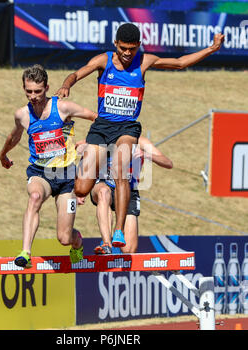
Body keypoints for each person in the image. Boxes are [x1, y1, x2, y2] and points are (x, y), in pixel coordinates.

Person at [56, 22, 224, 249]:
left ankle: (118, 231)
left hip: (127, 127)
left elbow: (180, 63)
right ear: (115, 44)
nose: (127, 53)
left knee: (120, 171)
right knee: (81, 188)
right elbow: (76, 73)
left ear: (139, 46)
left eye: (132, 49)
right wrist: (66, 85)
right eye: (123, 48)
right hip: (102, 126)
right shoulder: (104, 61)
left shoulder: (144, 61)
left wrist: (212, 49)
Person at [0, 64, 97, 268]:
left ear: (47, 87)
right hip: (40, 173)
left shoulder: (63, 108)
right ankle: (25, 253)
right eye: (28, 91)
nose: (33, 96)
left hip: (67, 176)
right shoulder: (22, 115)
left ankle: (77, 243)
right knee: (34, 197)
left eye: (37, 91)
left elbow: (95, 118)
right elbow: (14, 136)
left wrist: (88, 141)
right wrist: (3, 154)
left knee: (64, 237)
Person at [77, 136, 173, 254]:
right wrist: (81, 190)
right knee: (103, 193)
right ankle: (106, 244)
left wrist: (147, 155)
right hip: (103, 184)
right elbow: (85, 160)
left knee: (129, 251)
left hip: (128, 190)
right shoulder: (103, 135)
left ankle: (117, 237)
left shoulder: (140, 141)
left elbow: (168, 163)